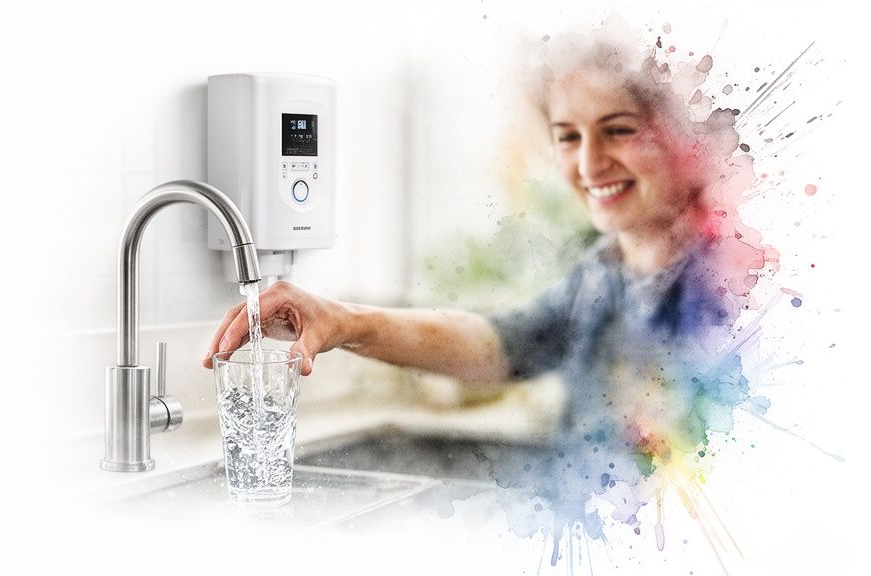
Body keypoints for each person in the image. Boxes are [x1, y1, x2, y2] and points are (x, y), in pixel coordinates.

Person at [203, 28, 771, 538]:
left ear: (688, 138)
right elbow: (500, 345)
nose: (590, 163)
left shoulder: (745, 285)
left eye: (618, 130)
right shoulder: (602, 273)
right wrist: (344, 321)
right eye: (568, 136)